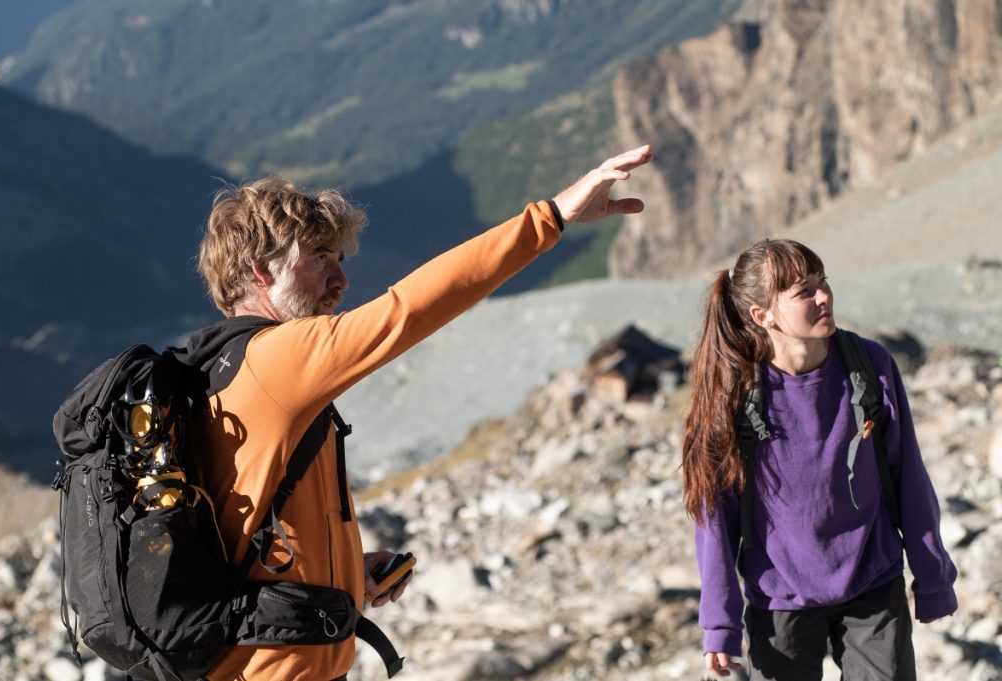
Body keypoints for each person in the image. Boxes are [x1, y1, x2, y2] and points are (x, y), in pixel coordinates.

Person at [186, 145, 652, 681]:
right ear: (260, 272)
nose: (340, 281)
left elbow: (244, 532)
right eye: (319, 258)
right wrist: (551, 217)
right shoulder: (279, 359)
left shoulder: (223, 368)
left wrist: (343, 574)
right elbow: (409, 309)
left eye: (339, 260)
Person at [681, 239, 958, 680]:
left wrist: (933, 579)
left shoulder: (870, 365)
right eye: (803, 291)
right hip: (779, 603)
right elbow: (714, 517)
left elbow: (909, 477)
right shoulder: (732, 395)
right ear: (762, 316)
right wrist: (719, 624)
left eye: (822, 282)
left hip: (873, 583)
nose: (824, 296)